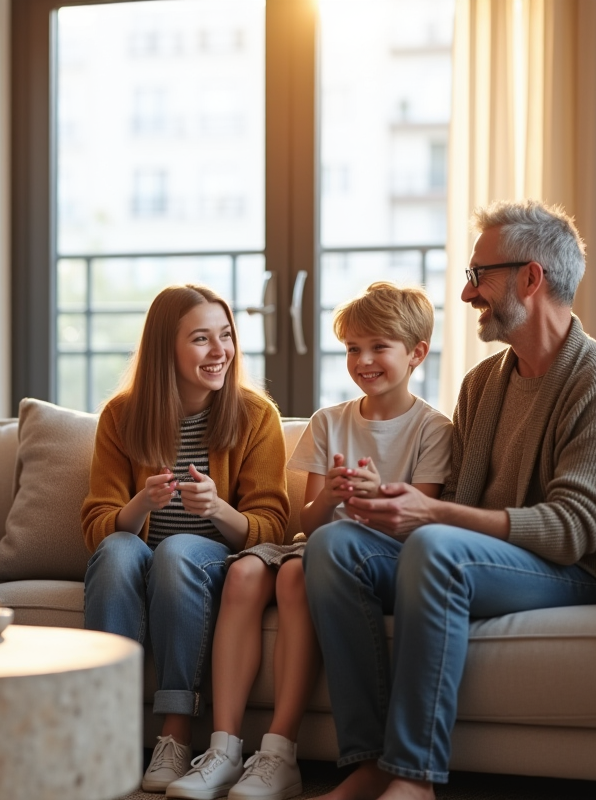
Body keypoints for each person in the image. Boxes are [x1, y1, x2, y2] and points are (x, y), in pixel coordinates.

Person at [304, 200, 596, 800]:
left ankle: (414, 778)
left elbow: (572, 532)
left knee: (439, 547)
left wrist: (431, 515)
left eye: (478, 275)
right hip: (479, 557)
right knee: (336, 545)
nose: (467, 295)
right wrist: (386, 504)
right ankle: (371, 761)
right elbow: (457, 498)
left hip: (571, 571)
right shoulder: (483, 383)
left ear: (531, 277)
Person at [167, 283, 451, 800]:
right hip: (317, 541)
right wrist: (334, 497)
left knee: (297, 573)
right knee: (246, 569)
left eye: (378, 347)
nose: (363, 360)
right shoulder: (329, 421)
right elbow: (311, 522)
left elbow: (419, 521)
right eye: (351, 348)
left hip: (381, 555)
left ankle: (279, 752)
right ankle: (224, 747)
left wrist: (374, 497)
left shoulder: (434, 429)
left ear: (417, 353)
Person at [81, 284, 290, 794]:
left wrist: (218, 509)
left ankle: (174, 734)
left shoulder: (256, 416)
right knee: (114, 550)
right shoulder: (121, 416)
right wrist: (141, 505)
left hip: (208, 559)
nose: (220, 352)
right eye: (202, 339)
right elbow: (97, 525)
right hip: (137, 554)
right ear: (165, 349)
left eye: (226, 336)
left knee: (175, 552)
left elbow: (272, 526)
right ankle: (106, 727)